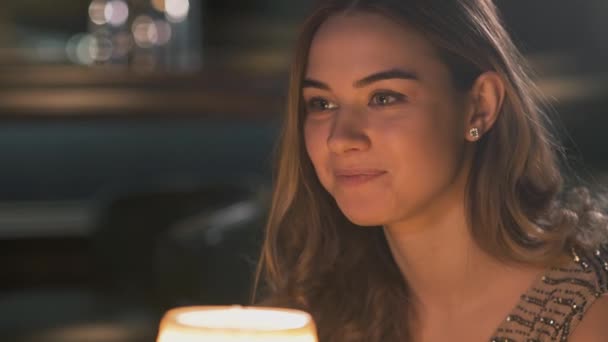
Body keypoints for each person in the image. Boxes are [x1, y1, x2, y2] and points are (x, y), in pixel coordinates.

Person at [252, 0, 608, 341]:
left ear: (479, 107)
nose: (341, 139)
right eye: (322, 103)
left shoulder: (587, 312)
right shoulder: (319, 314)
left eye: (383, 97)